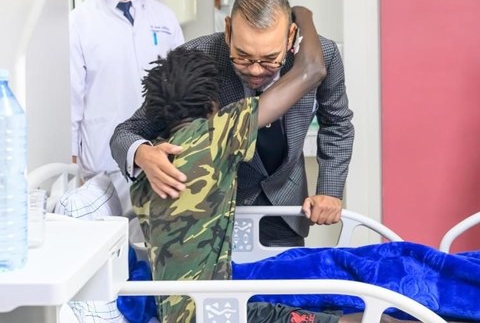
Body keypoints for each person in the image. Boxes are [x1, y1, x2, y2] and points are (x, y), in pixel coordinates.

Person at [129, 19, 362, 322]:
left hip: (175, 314)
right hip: (216, 313)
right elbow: (311, 70)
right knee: (347, 317)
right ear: (212, 104)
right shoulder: (217, 136)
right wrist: (301, 14)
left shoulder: (147, 172)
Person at [111, 0, 354, 247]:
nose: (257, 70)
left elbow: (337, 123)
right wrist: (142, 154)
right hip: (211, 212)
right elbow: (126, 133)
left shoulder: (324, 55)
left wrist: (329, 190)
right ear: (228, 31)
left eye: (270, 59)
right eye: (243, 57)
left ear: (290, 36)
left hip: (284, 207)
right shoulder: (196, 58)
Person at [69, 0, 184, 213]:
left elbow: (184, 90)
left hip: (159, 163)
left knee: (153, 254)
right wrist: (72, 170)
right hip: (103, 170)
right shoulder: (78, 23)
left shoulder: (164, 17)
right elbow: (72, 102)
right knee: (113, 254)